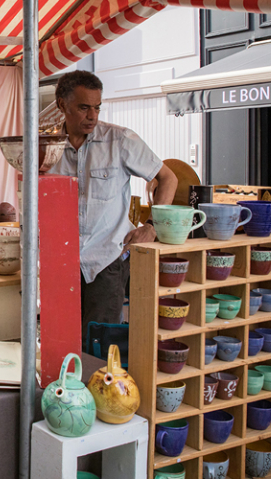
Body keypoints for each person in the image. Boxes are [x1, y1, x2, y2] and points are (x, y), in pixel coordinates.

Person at [48, 71, 177, 343]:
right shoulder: (48, 148)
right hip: (59, 264)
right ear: (62, 105)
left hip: (106, 262)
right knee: (59, 344)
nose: (92, 116)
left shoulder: (120, 141)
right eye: (84, 108)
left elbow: (168, 178)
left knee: (100, 349)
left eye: (97, 107)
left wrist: (152, 227)